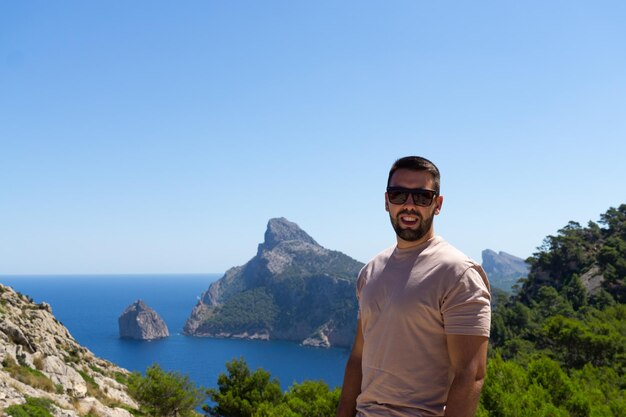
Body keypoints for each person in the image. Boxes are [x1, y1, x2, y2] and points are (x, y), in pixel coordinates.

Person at [336, 156, 491, 417]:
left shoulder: (458, 273)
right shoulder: (370, 272)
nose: (409, 205)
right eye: (399, 195)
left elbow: (471, 373)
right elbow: (358, 358)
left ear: (437, 204)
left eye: (421, 197)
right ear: (387, 202)